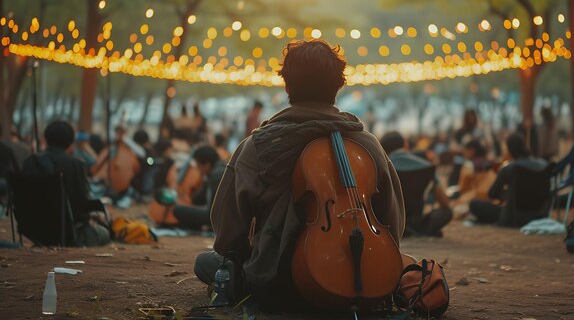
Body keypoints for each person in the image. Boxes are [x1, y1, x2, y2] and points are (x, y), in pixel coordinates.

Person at [194, 39, 404, 308]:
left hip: (277, 284)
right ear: (339, 84)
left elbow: (228, 231)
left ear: (287, 84)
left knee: (206, 262)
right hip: (360, 278)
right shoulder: (367, 143)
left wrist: (246, 255)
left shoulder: (257, 145)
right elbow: (392, 219)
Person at [21, 121, 110, 247]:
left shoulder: (30, 162)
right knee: (104, 233)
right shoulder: (76, 165)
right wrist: (95, 213)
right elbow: (82, 201)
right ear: (71, 141)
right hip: (67, 231)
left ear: (46, 138)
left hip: (33, 228)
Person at [381, 131, 452, 237]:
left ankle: (407, 230)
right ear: (405, 144)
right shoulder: (426, 166)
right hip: (417, 221)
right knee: (447, 212)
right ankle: (420, 230)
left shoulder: (382, 168)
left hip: (391, 223)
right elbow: (444, 202)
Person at [469, 133, 548, 224]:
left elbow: (492, 193)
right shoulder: (543, 164)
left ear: (510, 150)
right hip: (539, 214)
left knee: (474, 204)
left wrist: (509, 193)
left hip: (513, 216)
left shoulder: (509, 169)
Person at [170, 145, 226, 230]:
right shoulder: (218, 171)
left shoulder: (216, 175)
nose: (198, 169)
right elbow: (199, 198)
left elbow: (213, 211)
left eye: (198, 165)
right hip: (217, 215)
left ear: (206, 164)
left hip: (215, 217)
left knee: (177, 210)